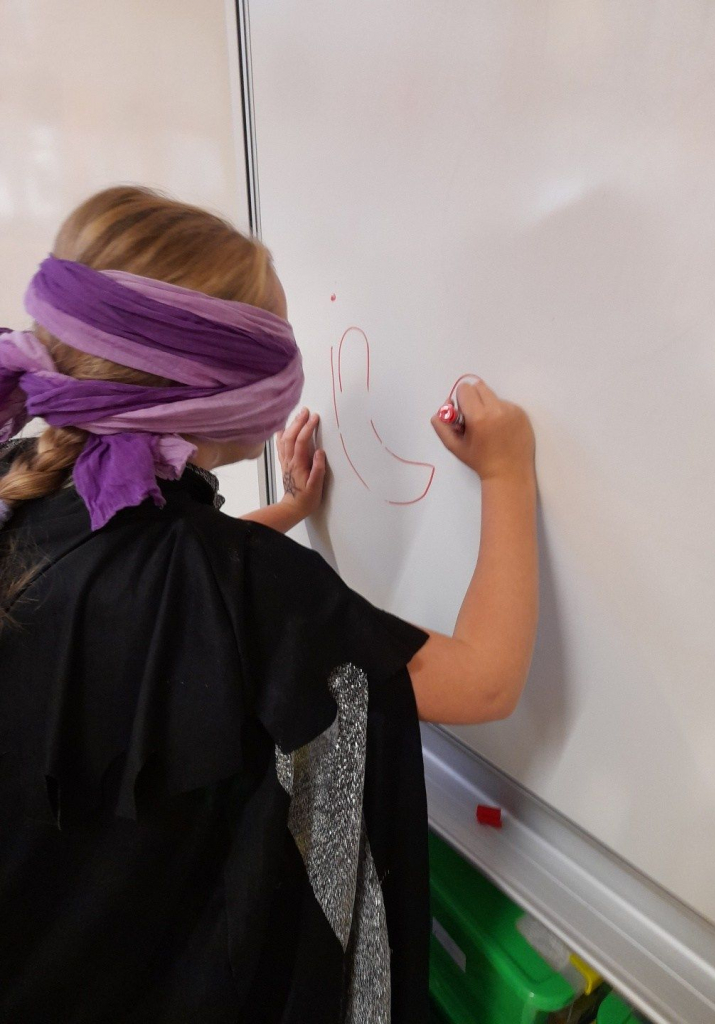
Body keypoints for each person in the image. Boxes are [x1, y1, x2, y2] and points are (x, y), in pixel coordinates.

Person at [0, 186, 538, 1023]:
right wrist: (507, 472)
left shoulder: (27, 491)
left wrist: (285, 512)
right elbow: (485, 681)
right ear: (217, 384)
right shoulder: (243, 586)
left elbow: (155, 579)